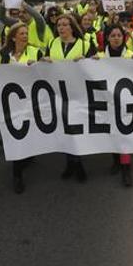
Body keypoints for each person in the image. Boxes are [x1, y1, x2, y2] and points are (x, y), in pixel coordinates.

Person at [42, 14, 97, 182]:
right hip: (58, 94)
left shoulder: (85, 45)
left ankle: (78, 163)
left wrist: (88, 60)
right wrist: (42, 60)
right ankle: (70, 162)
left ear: (72, 27)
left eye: (65, 24)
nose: (61, 27)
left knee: (77, 130)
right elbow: (43, 66)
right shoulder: (52, 44)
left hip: (79, 94)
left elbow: (96, 67)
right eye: (59, 25)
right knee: (65, 129)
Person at [0, 22, 41, 193]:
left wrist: (39, 64)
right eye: (22, 33)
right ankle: (17, 176)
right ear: (13, 37)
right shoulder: (5, 54)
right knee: (17, 134)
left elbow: (46, 73)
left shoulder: (35, 51)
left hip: (32, 101)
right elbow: (0, 72)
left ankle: (29, 154)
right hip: (13, 102)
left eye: (26, 33)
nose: (25, 36)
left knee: (31, 131)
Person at [97, 23, 133, 187]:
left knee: (124, 135)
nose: (116, 38)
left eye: (119, 35)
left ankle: (126, 169)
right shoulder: (99, 56)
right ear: (107, 38)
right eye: (112, 35)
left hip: (125, 103)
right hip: (107, 102)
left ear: (124, 37)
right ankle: (115, 161)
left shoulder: (130, 55)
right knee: (112, 133)